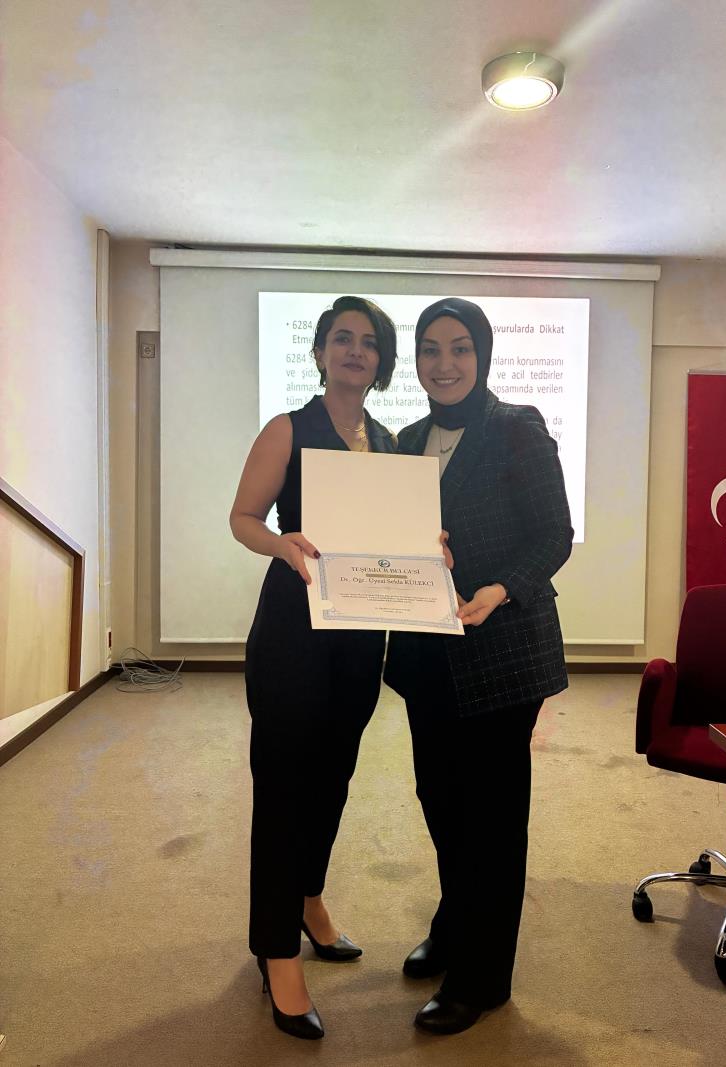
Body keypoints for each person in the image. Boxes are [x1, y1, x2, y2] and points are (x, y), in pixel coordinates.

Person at [384, 297, 573, 1035]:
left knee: (491, 815)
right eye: (430, 349)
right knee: (440, 796)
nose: (445, 363)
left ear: (483, 354)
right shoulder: (407, 440)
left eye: (460, 347)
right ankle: (455, 920)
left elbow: (554, 535)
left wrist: (498, 589)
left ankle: (483, 976)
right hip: (427, 651)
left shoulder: (516, 427)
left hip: (502, 649)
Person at [230, 295, 398, 1040]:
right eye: (342, 338)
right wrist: (283, 543)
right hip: (293, 630)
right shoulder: (288, 429)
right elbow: (243, 517)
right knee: (284, 784)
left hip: (360, 632)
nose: (355, 350)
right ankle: (276, 949)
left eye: (368, 342)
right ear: (322, 351)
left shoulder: (390, 443)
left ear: (381, 361)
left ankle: (307, 898)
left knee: (332, 776)